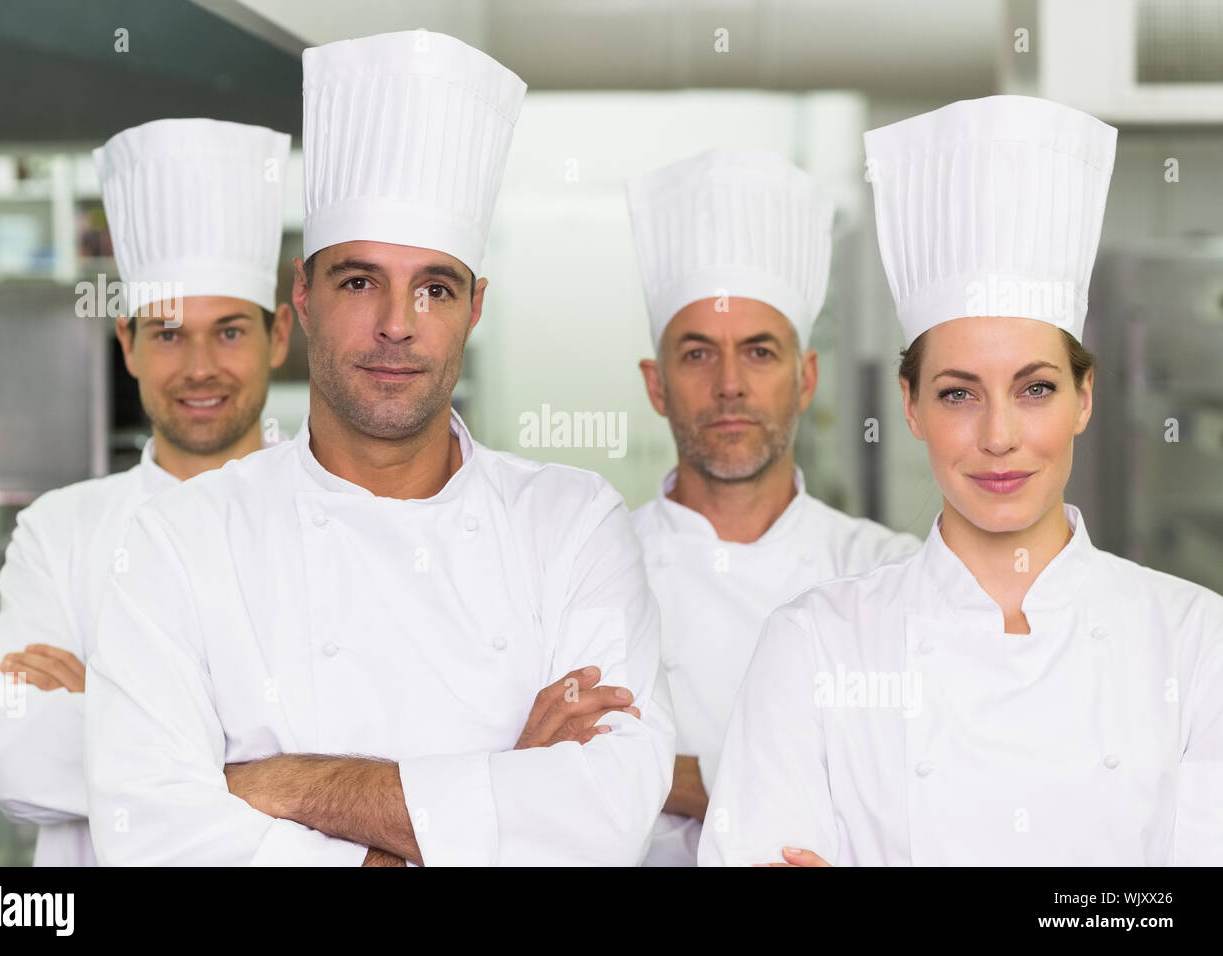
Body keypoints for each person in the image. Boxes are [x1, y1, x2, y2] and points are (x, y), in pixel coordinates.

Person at [84, 30, 674, 867]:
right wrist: (500, 789)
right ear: (303, 296)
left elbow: (607, 816)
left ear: (475, 307)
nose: (397, 324)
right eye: (360, 281)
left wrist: (284, 786)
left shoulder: (571, 522)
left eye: (434, 287)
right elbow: (149, 835)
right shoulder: (182, 540)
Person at [699, 94, 1223, 867]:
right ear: (910, 407)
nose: (999, 436)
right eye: (958, 393)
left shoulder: (1193, 644)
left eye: (1036, 388)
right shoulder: (816, 645)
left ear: (1086, 397)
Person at [0, 118, 294, 866]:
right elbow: (13, 751)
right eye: (168, 332)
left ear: (277, 340)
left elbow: (371, 749)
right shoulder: (62, 529)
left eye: (231, 332)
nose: (199, 366)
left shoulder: (332, 512)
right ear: (127, 345)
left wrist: (107, 714)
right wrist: (280, 772)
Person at [625, 147, 920, 865]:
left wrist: (667, 775)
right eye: (697, 354)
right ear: (656, 384)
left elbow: (918, 782)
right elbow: (552, 777)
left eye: (759, 352)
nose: (730, 384)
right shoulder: (596, 566)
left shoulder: (890, 572)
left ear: (805, 376)